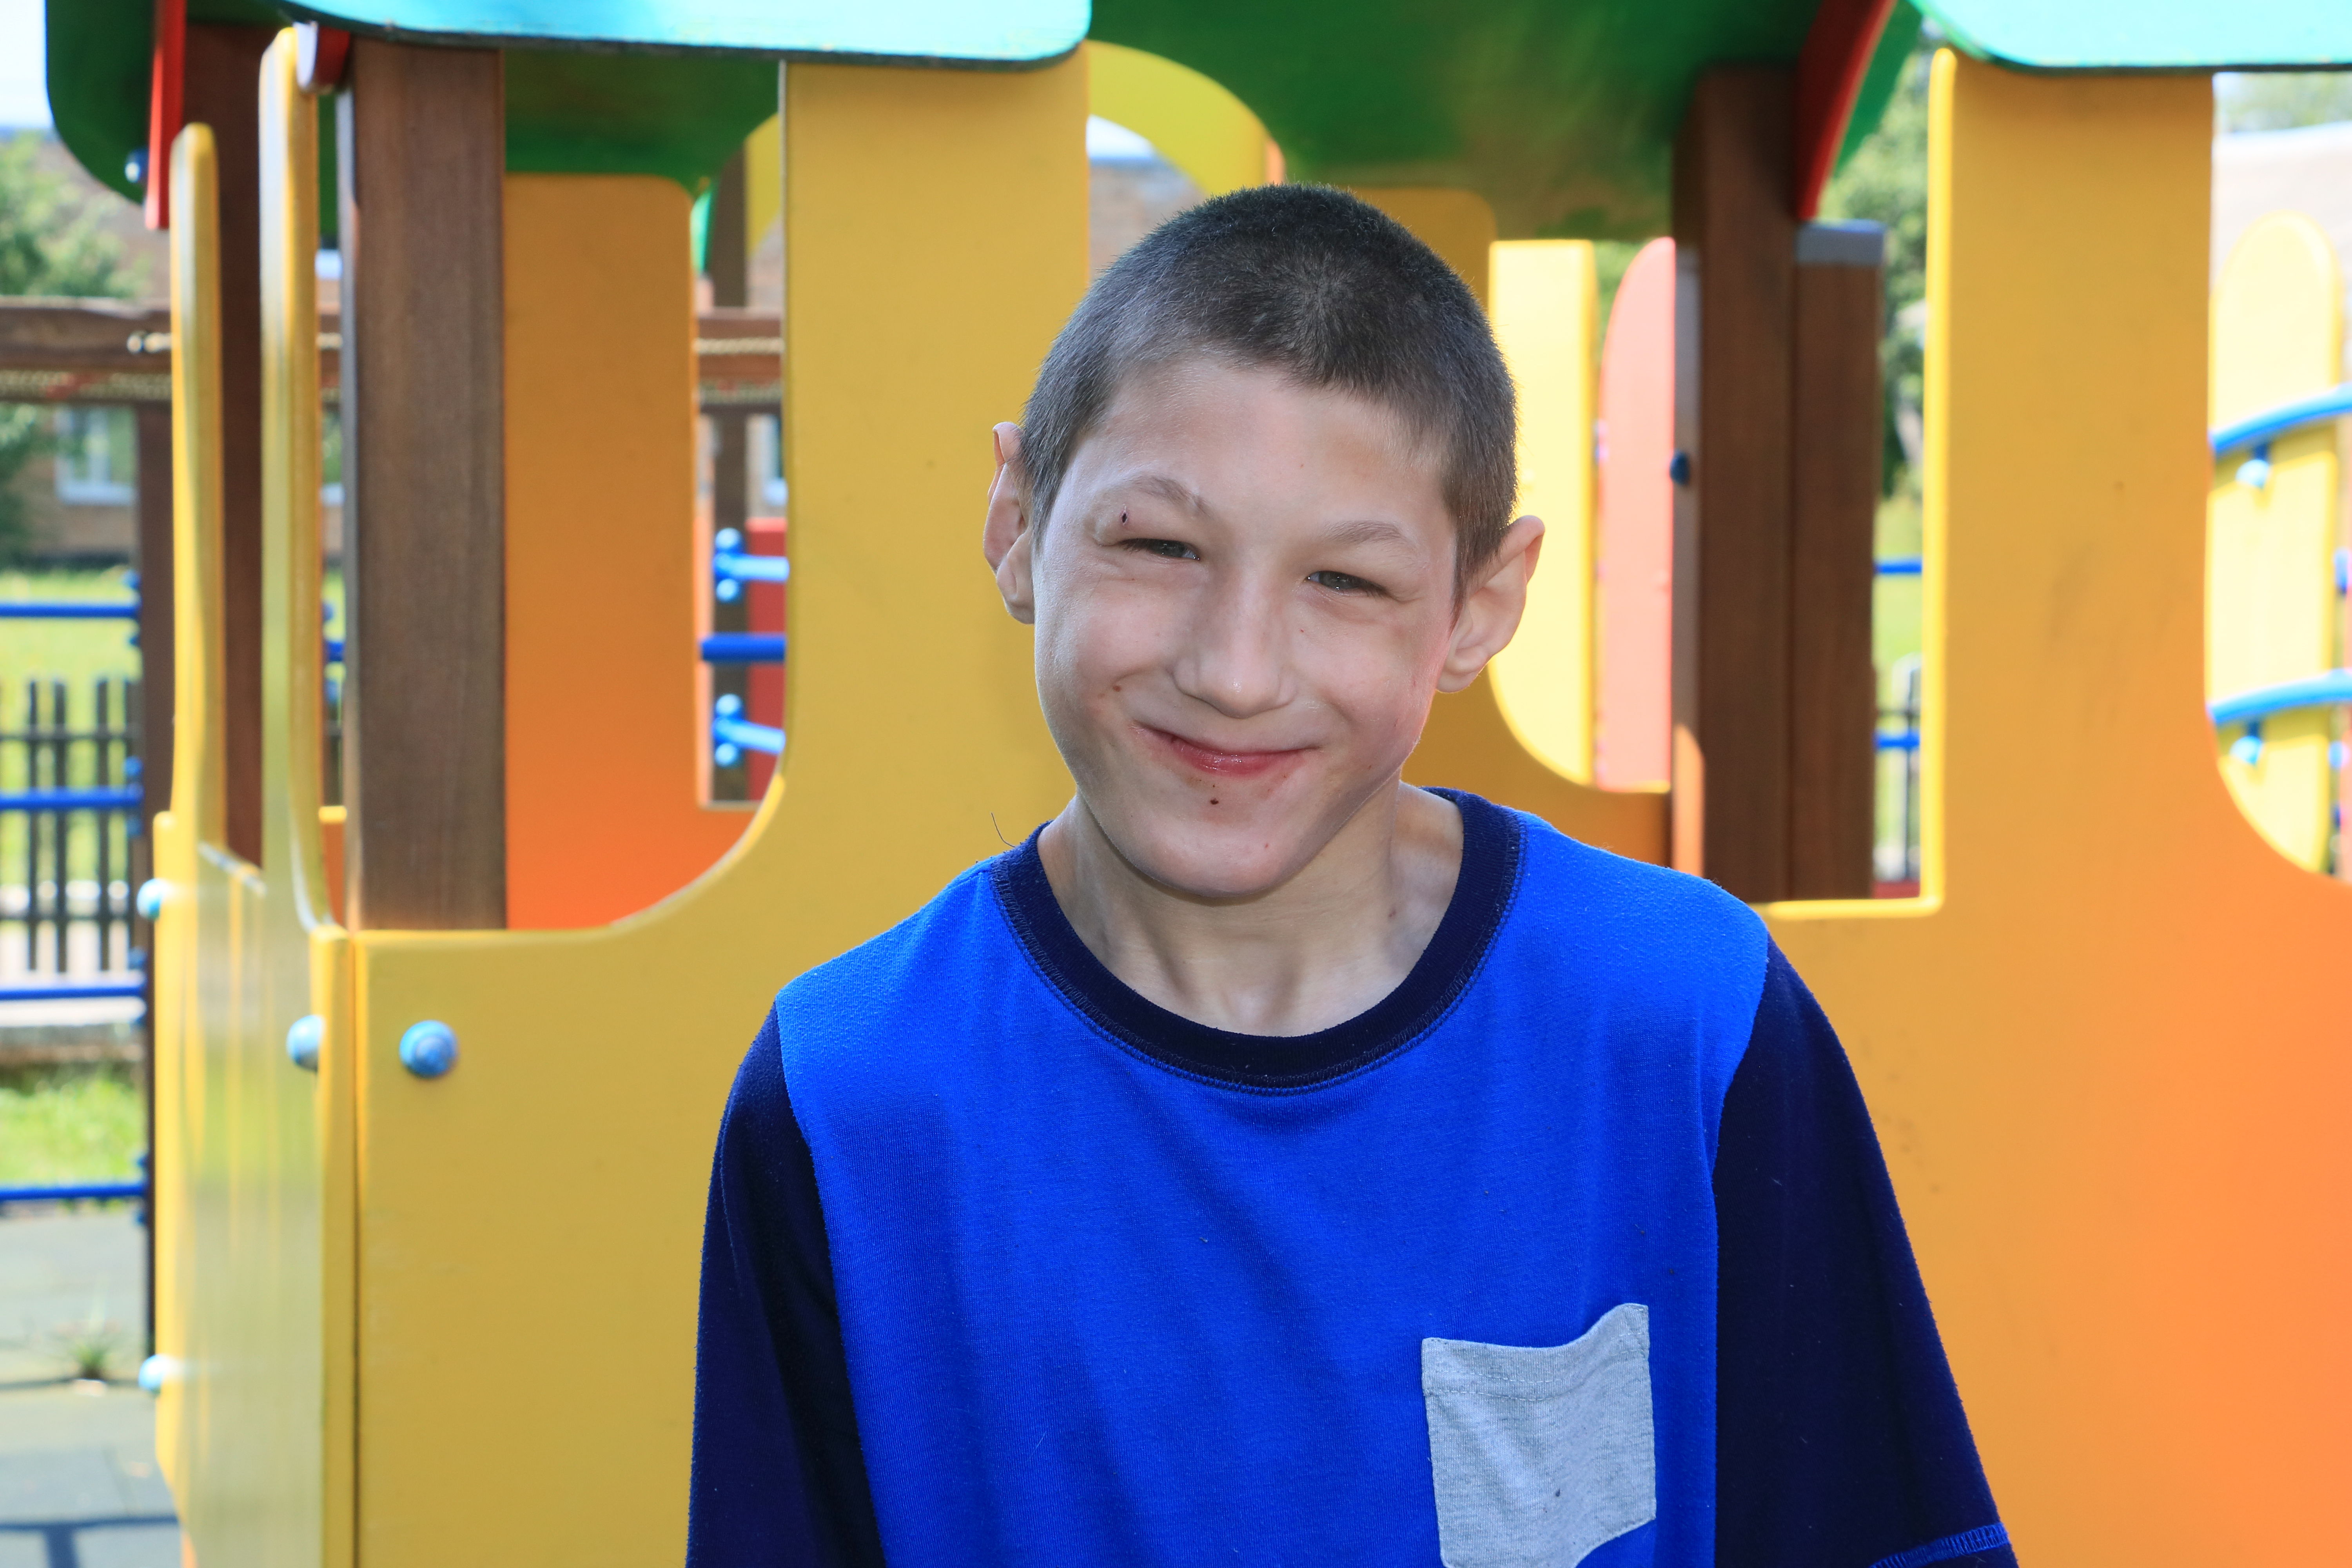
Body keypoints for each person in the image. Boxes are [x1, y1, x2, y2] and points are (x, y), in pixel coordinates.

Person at [685, 185, 2013, 1568]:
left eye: (1347, 583)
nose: (1235, 670)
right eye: (1159, 545)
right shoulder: (847, 1093)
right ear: (1018, 521)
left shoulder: (1689, 1020)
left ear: (1481, 605)